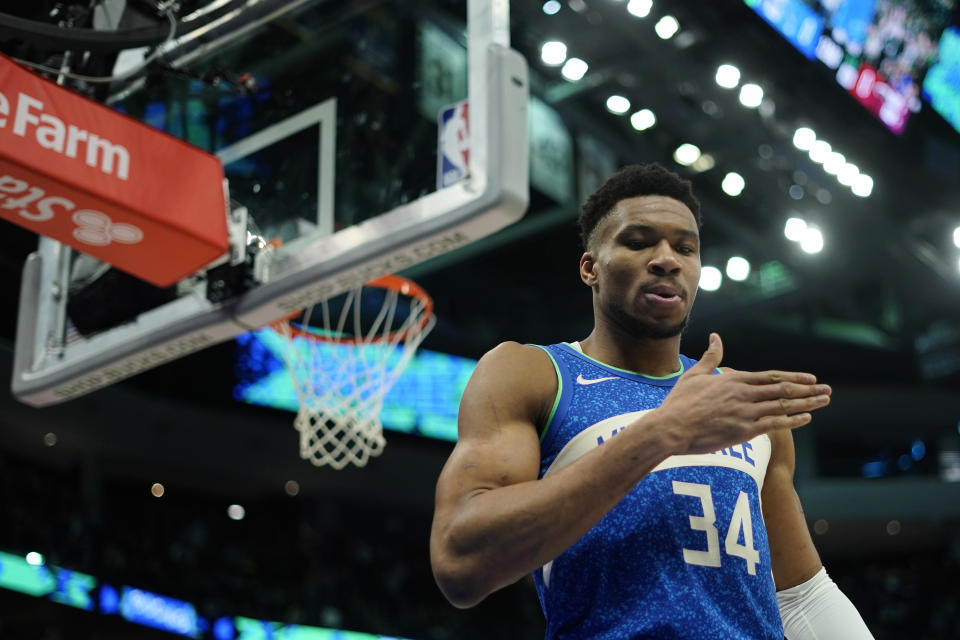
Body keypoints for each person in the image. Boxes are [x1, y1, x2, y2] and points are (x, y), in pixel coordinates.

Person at [429, 164, 874, 639]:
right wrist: (663, 432)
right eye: (639, 242)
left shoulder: (743, 406)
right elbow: (461, 563)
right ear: (590, 267)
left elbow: (802, 595)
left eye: (685, 247)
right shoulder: (532, 374)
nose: (667, 259)